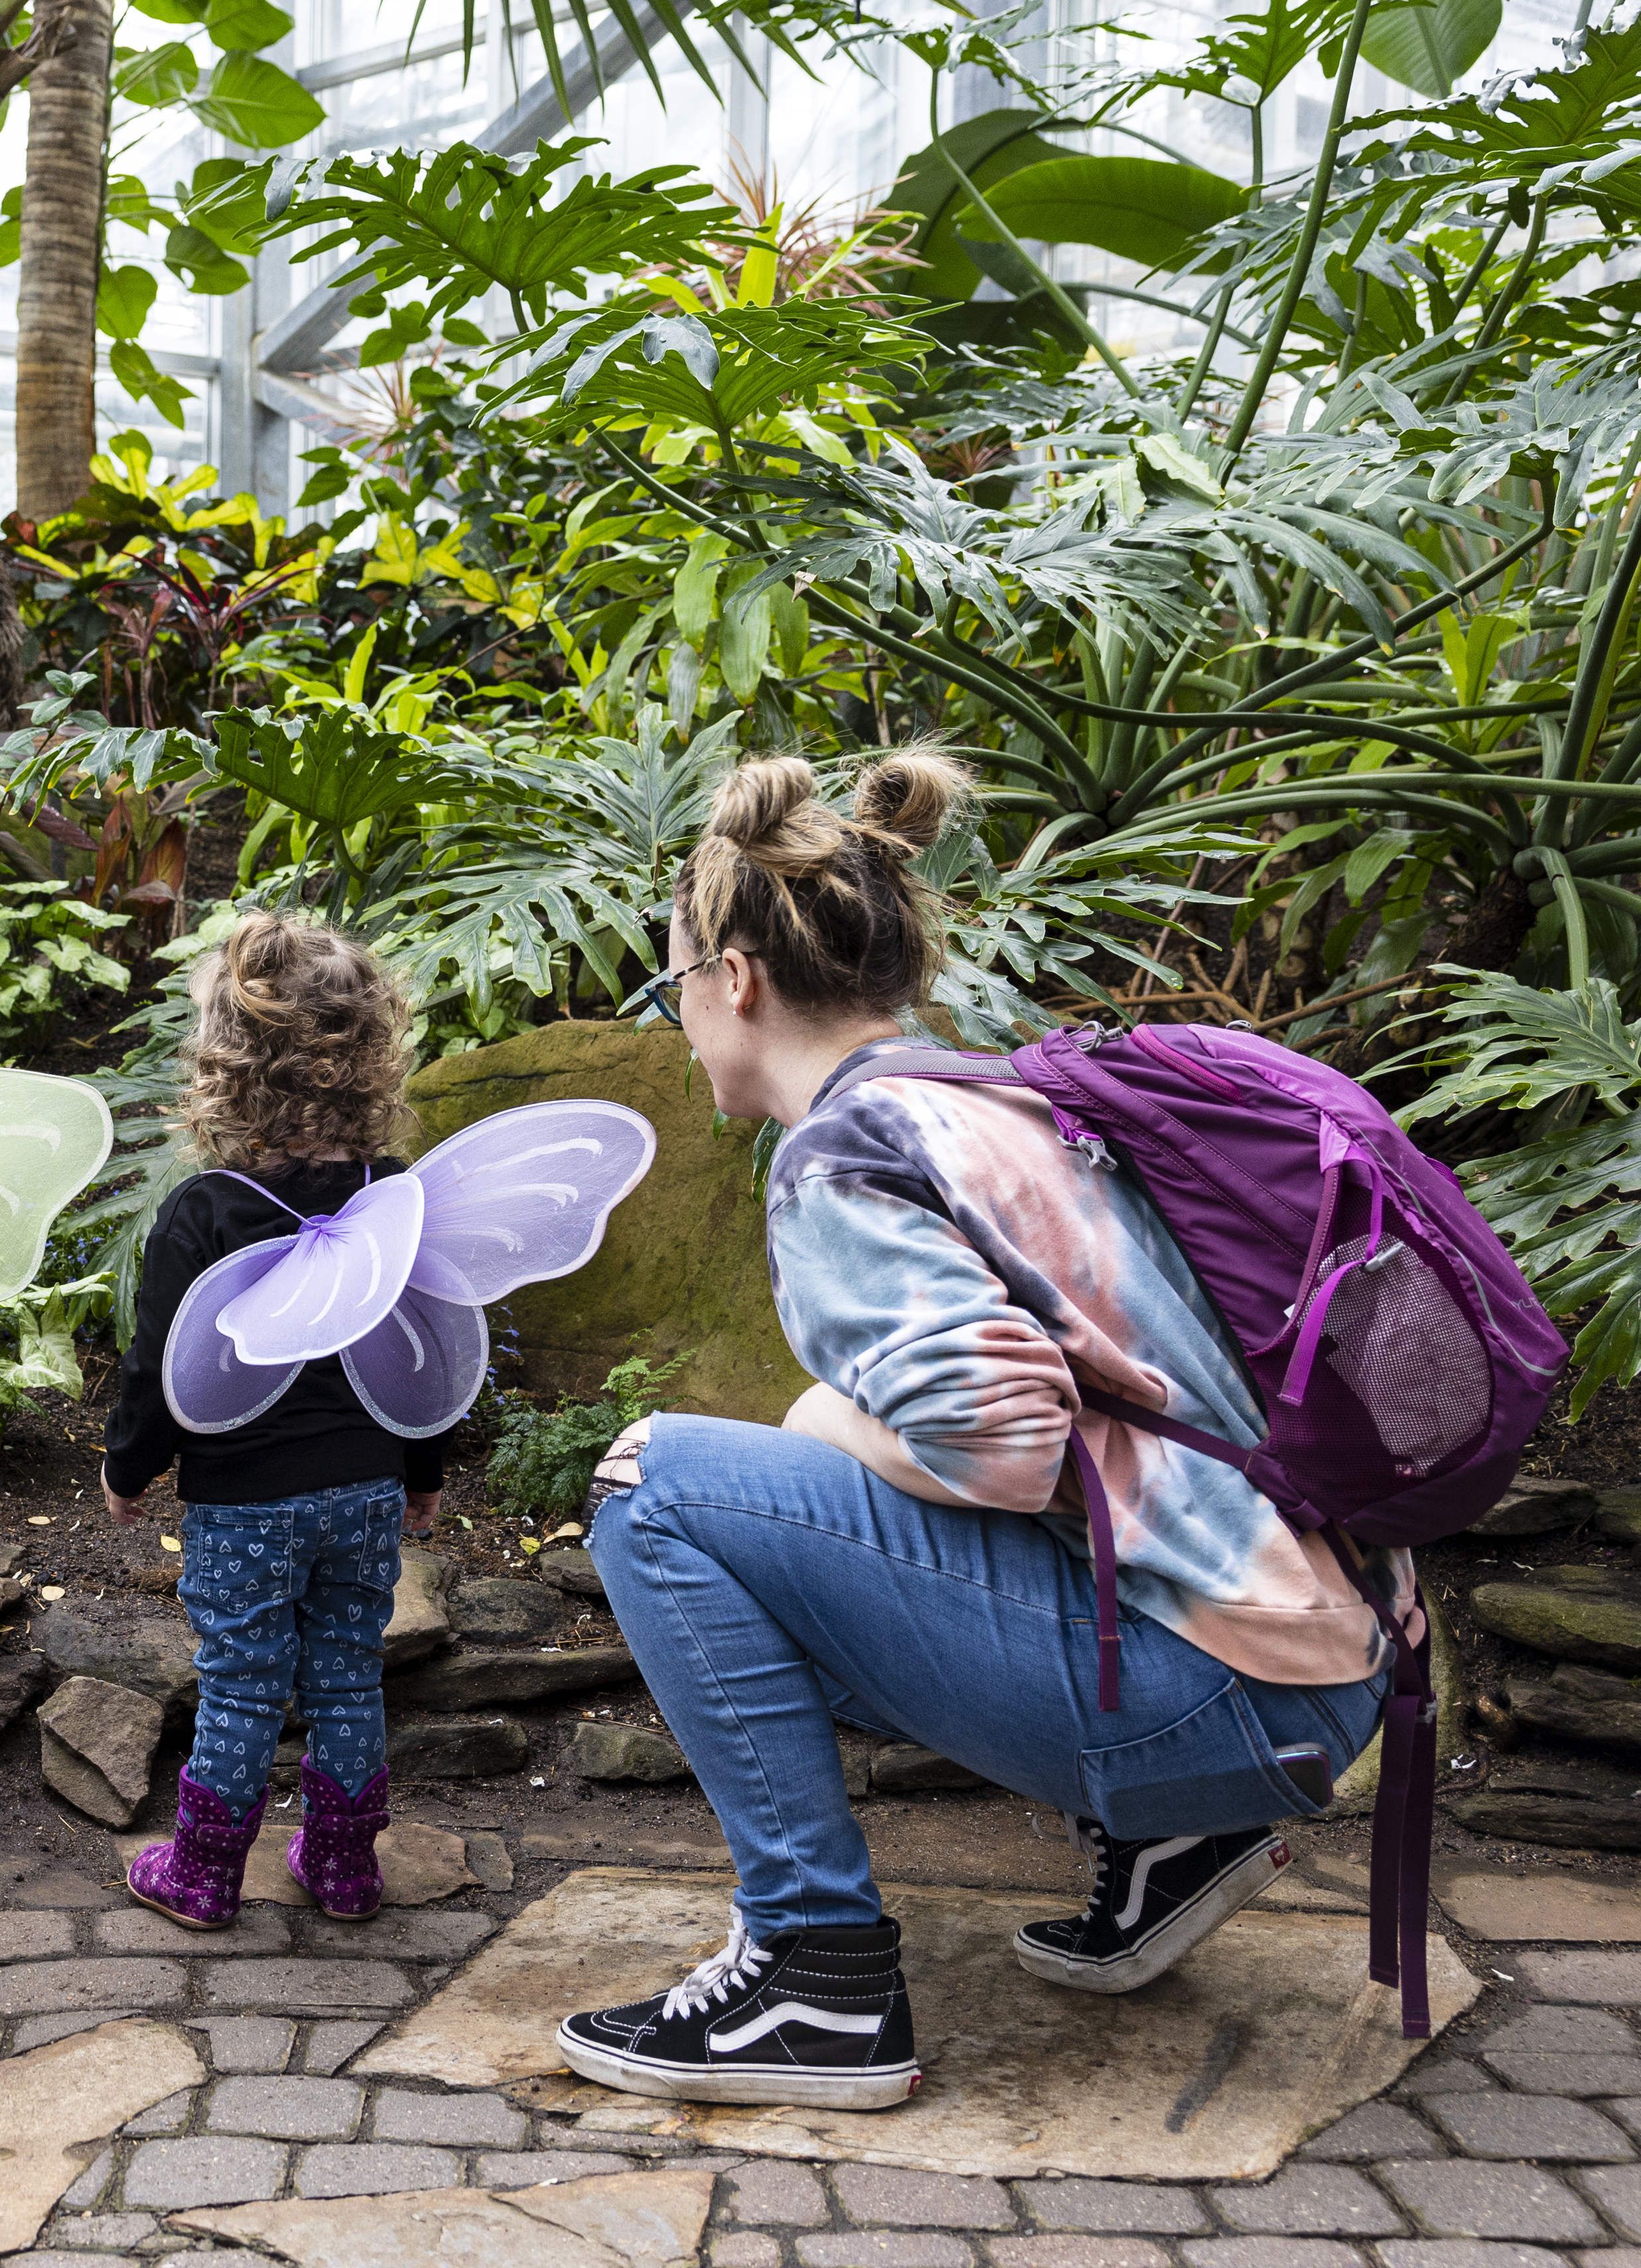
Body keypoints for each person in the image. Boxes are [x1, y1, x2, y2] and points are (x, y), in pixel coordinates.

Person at [551, 753, 1400, 2113]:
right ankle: (1183, 1833)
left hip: (1221, 1689)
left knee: (656, 1488)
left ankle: (815, 1981)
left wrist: (825, 1415)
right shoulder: (1002, 1095)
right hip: (1322, 1666)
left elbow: (1005, 1449)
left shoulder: (849, 1153)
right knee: (778, 1528)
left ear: (738, 981)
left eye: (673, 993)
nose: (681, 1026)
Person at [103, 912, 446, 1929]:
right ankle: (343, 1867)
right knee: (347, 1670)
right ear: (371, 1055)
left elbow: (159, 1366)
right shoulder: (395, 1198)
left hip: (244, 1501)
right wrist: (425, 1468)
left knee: (243, 1683)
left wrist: (130, 1468)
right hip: (365, 1487)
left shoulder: (204, 1211)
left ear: (225, 1062)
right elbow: (425, 1356)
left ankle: (205, 1872)